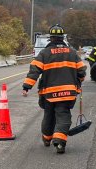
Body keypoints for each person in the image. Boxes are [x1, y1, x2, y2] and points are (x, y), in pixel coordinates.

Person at [22, 24, 86, 154]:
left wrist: (26, 87)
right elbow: (82, 71)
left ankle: (47, 138)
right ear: (62, 38)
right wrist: (79, 81)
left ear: (50, 38)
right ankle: (60, 142)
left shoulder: (44, 53)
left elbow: (34, 70)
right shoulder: (72, 52)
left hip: (49, 93)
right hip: (67, 92)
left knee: (49, 116)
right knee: (63, 115)